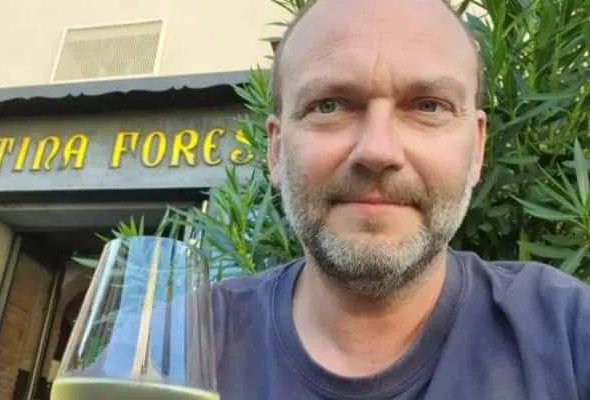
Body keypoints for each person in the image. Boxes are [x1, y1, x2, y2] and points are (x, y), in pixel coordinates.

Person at [210, 0, 590, 399]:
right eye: (329, 106)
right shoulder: (182, 348)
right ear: (276, 150)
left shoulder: (568, 335)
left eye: (429, 106)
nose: (378, 151)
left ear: (478, 149)